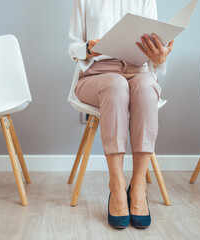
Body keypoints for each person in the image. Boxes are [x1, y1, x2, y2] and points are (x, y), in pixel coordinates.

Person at [68, 0, 173, 229]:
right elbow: (73, 46)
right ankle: (116, 185)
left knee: (147, 89)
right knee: (116, 86)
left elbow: (155, 49)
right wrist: (88, 48)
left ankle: (138, 187)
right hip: (97, 75)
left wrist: (159, 58)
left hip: (139, 71)